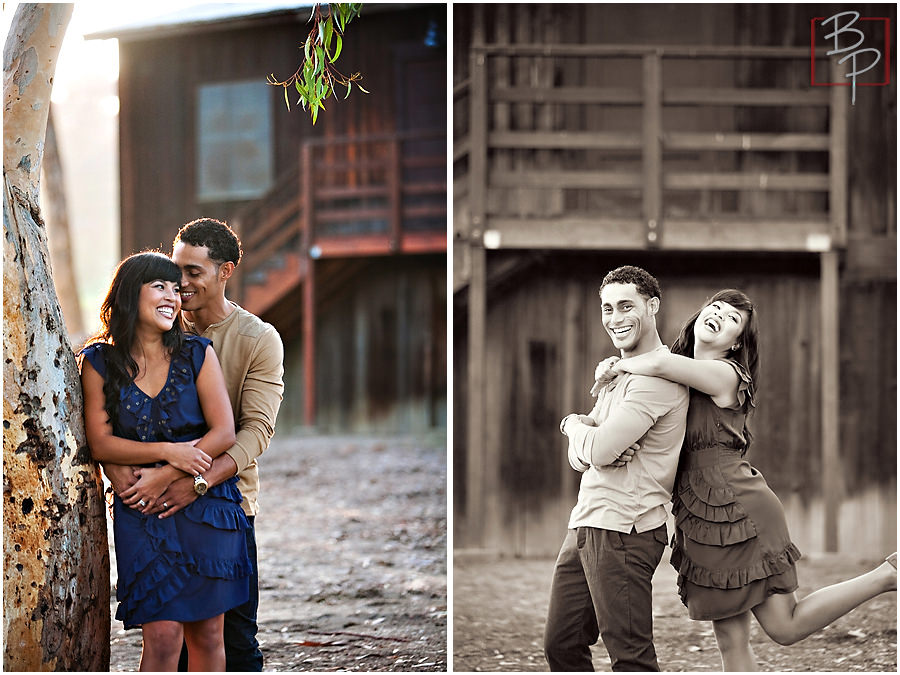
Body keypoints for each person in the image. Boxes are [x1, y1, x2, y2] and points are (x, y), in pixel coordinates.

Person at [594, 288, 898, 671]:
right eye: (715, 307)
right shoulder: (674, 376)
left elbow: (657, 365)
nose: (719, 315)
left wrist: (614, 365)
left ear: (736, 343)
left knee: (784, 626)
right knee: (730, 642)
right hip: (698, 515)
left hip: (738, 508)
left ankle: (888, 575)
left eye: (732, 319)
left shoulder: (726, 374)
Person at [102, 218, 285, 672]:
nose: (180, 285)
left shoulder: (257, 340)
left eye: (193, 273)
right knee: (167, 643)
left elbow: (253, 433)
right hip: (151, 505)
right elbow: (112, 419)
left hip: (225, 502)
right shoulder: (150, 329)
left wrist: (192, 481)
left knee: (233, 640)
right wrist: (124, 475)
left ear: (225, 272)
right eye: (174, 270)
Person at [80, 251, 252, 671]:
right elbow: (101, 443)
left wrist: (171, 471)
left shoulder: (197, 353)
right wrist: (167, 451)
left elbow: (224, 433)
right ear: (128, 294)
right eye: (160, 286)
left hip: (206, 506)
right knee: (161, 638)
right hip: (142, 509)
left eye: (176, 289)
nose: (173, 297)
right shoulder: (98, 362)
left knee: (209, 636)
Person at [544, 265, 690, 672]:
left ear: (652, 306)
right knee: (562, 645)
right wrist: (585, 438)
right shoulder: (618, 371)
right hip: (587, 521)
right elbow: (583, 458)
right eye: (607, 309)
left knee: (631, 659)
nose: (615, 318)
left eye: (626, 306)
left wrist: (572, 425)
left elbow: (601, 450)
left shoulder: (658, 377)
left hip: (625, 529)